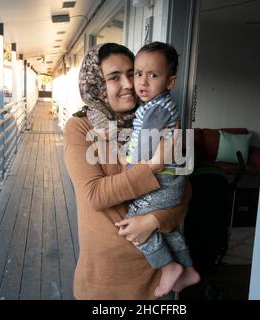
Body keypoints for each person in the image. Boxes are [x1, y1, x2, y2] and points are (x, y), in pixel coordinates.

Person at [64, 43, 192, 300]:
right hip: (105, 281)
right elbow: (96, 196)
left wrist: (153, 221)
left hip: (156, 277)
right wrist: (152, 166)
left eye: (132, 73)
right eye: (114, 77)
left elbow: (184, 191)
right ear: (96, 84)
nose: (129, 84)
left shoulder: (158, 117)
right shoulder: (80, 128)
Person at [117, 42, 200, 297]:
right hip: (170, 184)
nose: (142, 81)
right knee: (167, 228)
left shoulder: (156, 110)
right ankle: (187, 269)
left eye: (153, 75)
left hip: (162, 183)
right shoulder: (155, 106)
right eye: (139, 73)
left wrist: (127, 169)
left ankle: (168, 267)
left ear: (170, 81)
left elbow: (144, 152)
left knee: (133, 221)